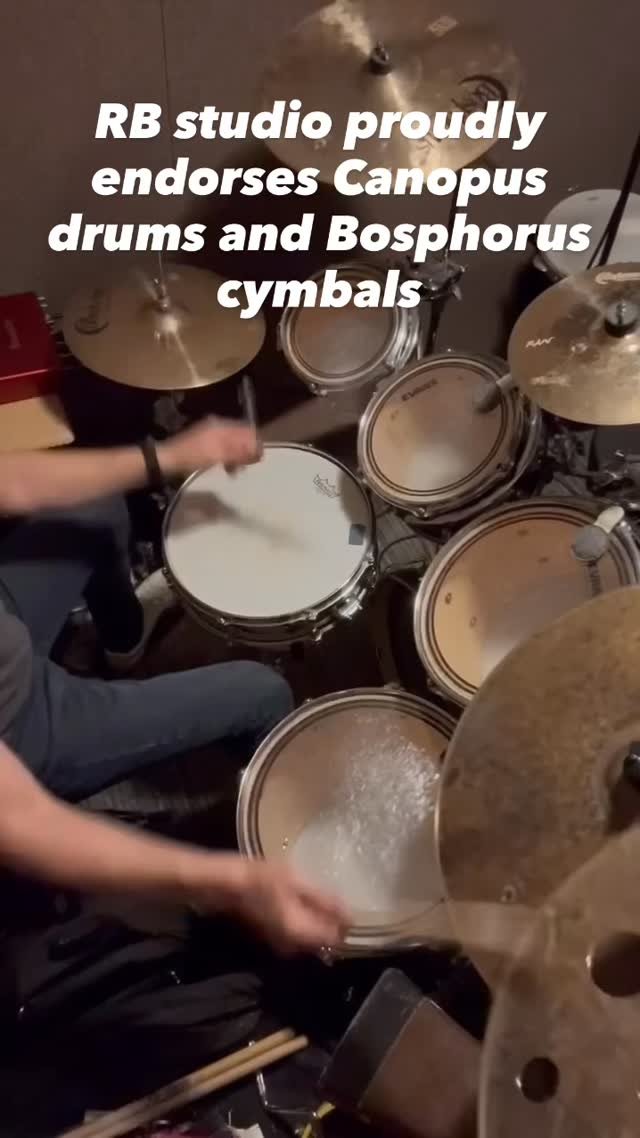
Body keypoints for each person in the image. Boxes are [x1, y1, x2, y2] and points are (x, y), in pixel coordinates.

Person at [0, 418, 347, 954]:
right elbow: (19, 818)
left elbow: (13, 480)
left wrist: (165, 456)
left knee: (101, 507)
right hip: (23, 726)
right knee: (264, 694)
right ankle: (298, 841)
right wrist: (224, 881)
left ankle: (123, 646)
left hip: (8, 625)